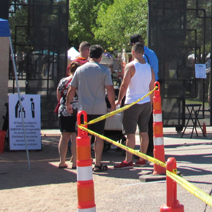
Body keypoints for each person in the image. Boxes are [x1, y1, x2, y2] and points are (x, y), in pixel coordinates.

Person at [66, 45, 115, 173]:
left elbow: (72, 89)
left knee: (83, 137)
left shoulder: (80, 70)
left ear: (89, 55)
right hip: (99, 109)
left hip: (83, 110)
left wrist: (68, 103)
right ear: (100, 57)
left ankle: (84, 162)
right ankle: (97, 163)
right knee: (99, 137)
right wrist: (113, 106)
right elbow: (110, 90)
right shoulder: (105, 71)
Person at [114, 43, 155, 169]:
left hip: (133, 102)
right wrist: (151, 103)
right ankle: (142, 158)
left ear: (133, 52)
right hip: (146, 102)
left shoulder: (130, 66)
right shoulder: (149, 68)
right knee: (144, 131)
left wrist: (119, 100)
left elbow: (124, 85)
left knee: (130, 133)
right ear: (143, 53)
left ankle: (129, 159)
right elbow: (152, 86)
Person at [129, 34, 158, 155]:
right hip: (154, 87)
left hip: (144, 90)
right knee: (149, 122)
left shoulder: (142, 57)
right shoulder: (151, 52)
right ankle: (149, 147)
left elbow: (142, 71)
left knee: (141, 125)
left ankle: (143, 150)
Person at [56, 61, 79, 169]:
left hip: (64, 110)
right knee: (75, 136)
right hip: (76, 111)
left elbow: (58, 96)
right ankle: (74, 162)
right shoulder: (80, 81)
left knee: (64, 137)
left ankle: (62, 161)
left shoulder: (63, 81)